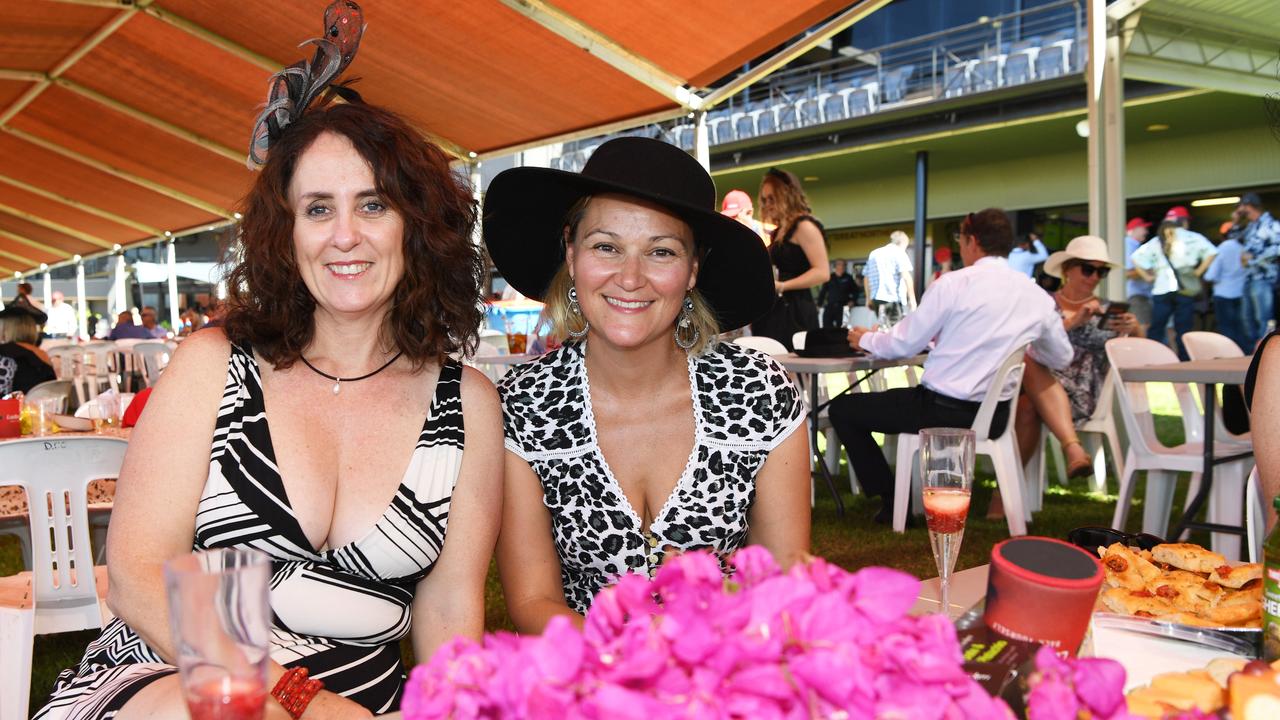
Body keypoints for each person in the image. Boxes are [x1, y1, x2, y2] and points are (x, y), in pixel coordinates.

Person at [36, 10, 503, 717]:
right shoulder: (213, 364)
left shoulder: (464, 401)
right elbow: (137, 578)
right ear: (285, 232)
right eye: (318, 209)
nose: (344, 237)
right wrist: (296, 699)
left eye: (372, 204)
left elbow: (448, 611)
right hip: (178, 676)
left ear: (416, 222)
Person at [484, 136, 810, 633]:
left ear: (693, 268)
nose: (630, 278)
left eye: (660, 251)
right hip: (585, 685)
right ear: (571, 254)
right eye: (606, 246)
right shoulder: (522, 406)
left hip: (727, 673)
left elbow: (784, 582)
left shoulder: (763, 393)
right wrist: (629, 663)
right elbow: (532, 601)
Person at [828, 209, 1073, 524]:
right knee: (871, 405)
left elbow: (904, 344)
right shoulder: (1035, 296)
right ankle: (896, 500)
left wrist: (866, 340)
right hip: (995, 418)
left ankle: (892, 501)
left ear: (972, 241)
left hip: (940, 413)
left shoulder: (954, 284)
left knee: (843, 408)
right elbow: (1062, 358)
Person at [1013, 236, 1140, 478]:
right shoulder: (1044, 304)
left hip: (1085, 391)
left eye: (1101, 272)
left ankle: (1004, 496)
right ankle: (1073, 451)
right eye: (1088, 269)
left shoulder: (1107, 309)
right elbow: (1025, 343)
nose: (1094, 278)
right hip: (1038, 381)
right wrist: (1071, 323)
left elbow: (1139, 355)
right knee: (1027, 398)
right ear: (1067, 270)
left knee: (1027, 403)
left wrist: (1135, 329)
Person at [750, 167, 830, 350]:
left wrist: (784, 286)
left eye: (772, 198)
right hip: (778, 309)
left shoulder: (804, 226)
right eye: (764, 200)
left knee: (795, 370)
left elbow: (822, 272)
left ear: (787, 195)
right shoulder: (780, 231)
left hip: (795, 310)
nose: (768, 204)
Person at [1131, 209, 1217, 359]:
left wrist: (1147, 277)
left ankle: (1152, 359)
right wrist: (1198, 272)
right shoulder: (1189, 237)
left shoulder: (1157, 241)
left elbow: (1136, 258)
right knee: (1182, 329)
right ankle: (1183, 361)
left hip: (1163, 290)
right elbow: (1212, 252)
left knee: (1159, 328)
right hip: (1180, 291)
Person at [1238, 192, 1280, 347]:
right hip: (1249, 277)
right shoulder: (1250, 226)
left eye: (1241, 206)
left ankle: (1265, 352)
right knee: (1247, 318)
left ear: (1249, 206)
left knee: (1263, 318)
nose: (1239, 210)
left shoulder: (1271, 224)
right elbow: (1233, 237)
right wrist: (1235, 221)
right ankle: (1253, 353)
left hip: (1264, 278)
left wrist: (1255, 258)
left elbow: (1277, 248)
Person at [1205, 220, 1250, 352]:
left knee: (1227, 328)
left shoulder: (1224, 247)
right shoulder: (1245, 248)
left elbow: (1210, 275)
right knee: (1240, 327)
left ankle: (1232, 355)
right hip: (1240, 293)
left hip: (1223, 294)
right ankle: (1245, 355)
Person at [0, 303, 56, 396]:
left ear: (6, 329)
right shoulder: (42, 354)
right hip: (43, 407)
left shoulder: (4, 352)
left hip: (17, 408)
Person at [863, 230, 916, 324]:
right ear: (903, 242)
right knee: (894, 330)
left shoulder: (874, 253)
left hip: (876, 298)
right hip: (892, 298)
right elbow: (906, 276)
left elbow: (866, 277)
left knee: (883, 327)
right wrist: (912, 299)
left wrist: (868, 299)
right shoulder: (899, 252)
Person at [1124, 217, 1155, 332]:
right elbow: (1129, 272)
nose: (1146, 232)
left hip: (1140, 296)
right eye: (1144, 228)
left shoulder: (1135, 245)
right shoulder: (1129, 244)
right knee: (1141, 329)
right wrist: (1154, 271)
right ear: (1134, 229)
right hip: (1137, 296)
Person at [818, 258, 856, 328]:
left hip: (844, 307)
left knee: (842, 328)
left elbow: (855, 291)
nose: (842, 266)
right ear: (835, 266)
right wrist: (819, 304)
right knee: (826, 327)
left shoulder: (849, 278)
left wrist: (852, 301)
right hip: (830, 306)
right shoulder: (829, 277)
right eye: (839, 264)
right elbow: (823, 292)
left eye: (844, 265)